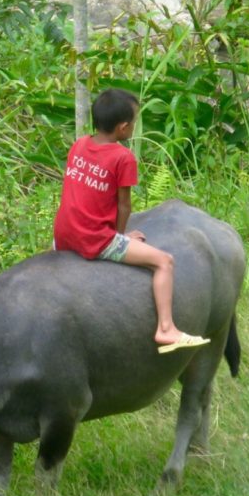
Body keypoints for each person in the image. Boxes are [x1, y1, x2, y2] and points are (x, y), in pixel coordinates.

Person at [53, 88, 209, 354]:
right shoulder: (123, 158)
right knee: (164, 262)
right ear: (123, 128)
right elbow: (124, 205)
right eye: (134, 122)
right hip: (93, 239)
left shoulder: (79, 145)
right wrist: (119, 237)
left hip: (62, 236)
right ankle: (166, 329)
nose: (134, 127)